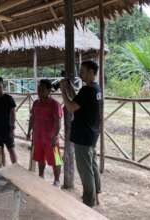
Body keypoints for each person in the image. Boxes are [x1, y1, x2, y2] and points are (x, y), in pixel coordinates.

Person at [60, 60, 102, 207]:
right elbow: (79, 100)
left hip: (83, 136)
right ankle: (96, 197)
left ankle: (88, 202)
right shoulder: (96, 89)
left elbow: (71, 107)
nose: (80, 73)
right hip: (92, 134)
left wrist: (63, 92)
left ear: (91, 72)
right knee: (92, 166)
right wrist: (70, 87)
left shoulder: (87, 90)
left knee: (85, 171)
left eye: (83, 71)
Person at [27, 79, 63, 186]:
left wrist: (55, 136)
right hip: (38, 137)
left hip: (51, 139)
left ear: (49, 91)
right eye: (38, 89)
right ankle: (41, 177)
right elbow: (32, 118)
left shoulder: (55, 104)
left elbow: (58, 122)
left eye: (42, 89)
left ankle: (56, 181)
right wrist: (29, 132)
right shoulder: (35, 103)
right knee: (39, 158)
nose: (39, 91)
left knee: (56, 159)